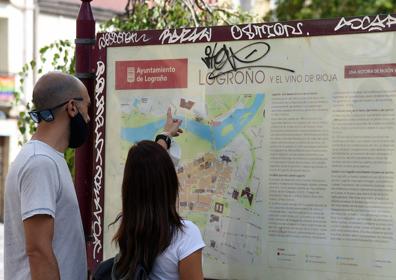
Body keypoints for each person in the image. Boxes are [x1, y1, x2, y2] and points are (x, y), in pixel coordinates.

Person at [4, 72, 91, 280]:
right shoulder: (40, 163)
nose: (88, 118)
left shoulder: (47, 159)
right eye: (87, 107)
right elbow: (39, 251)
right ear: (72, 107)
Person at [107, 116, 205, 280]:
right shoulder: (186, 235)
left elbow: (147, 174)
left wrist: (164, 137)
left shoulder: (130, 227)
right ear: (170, 183)